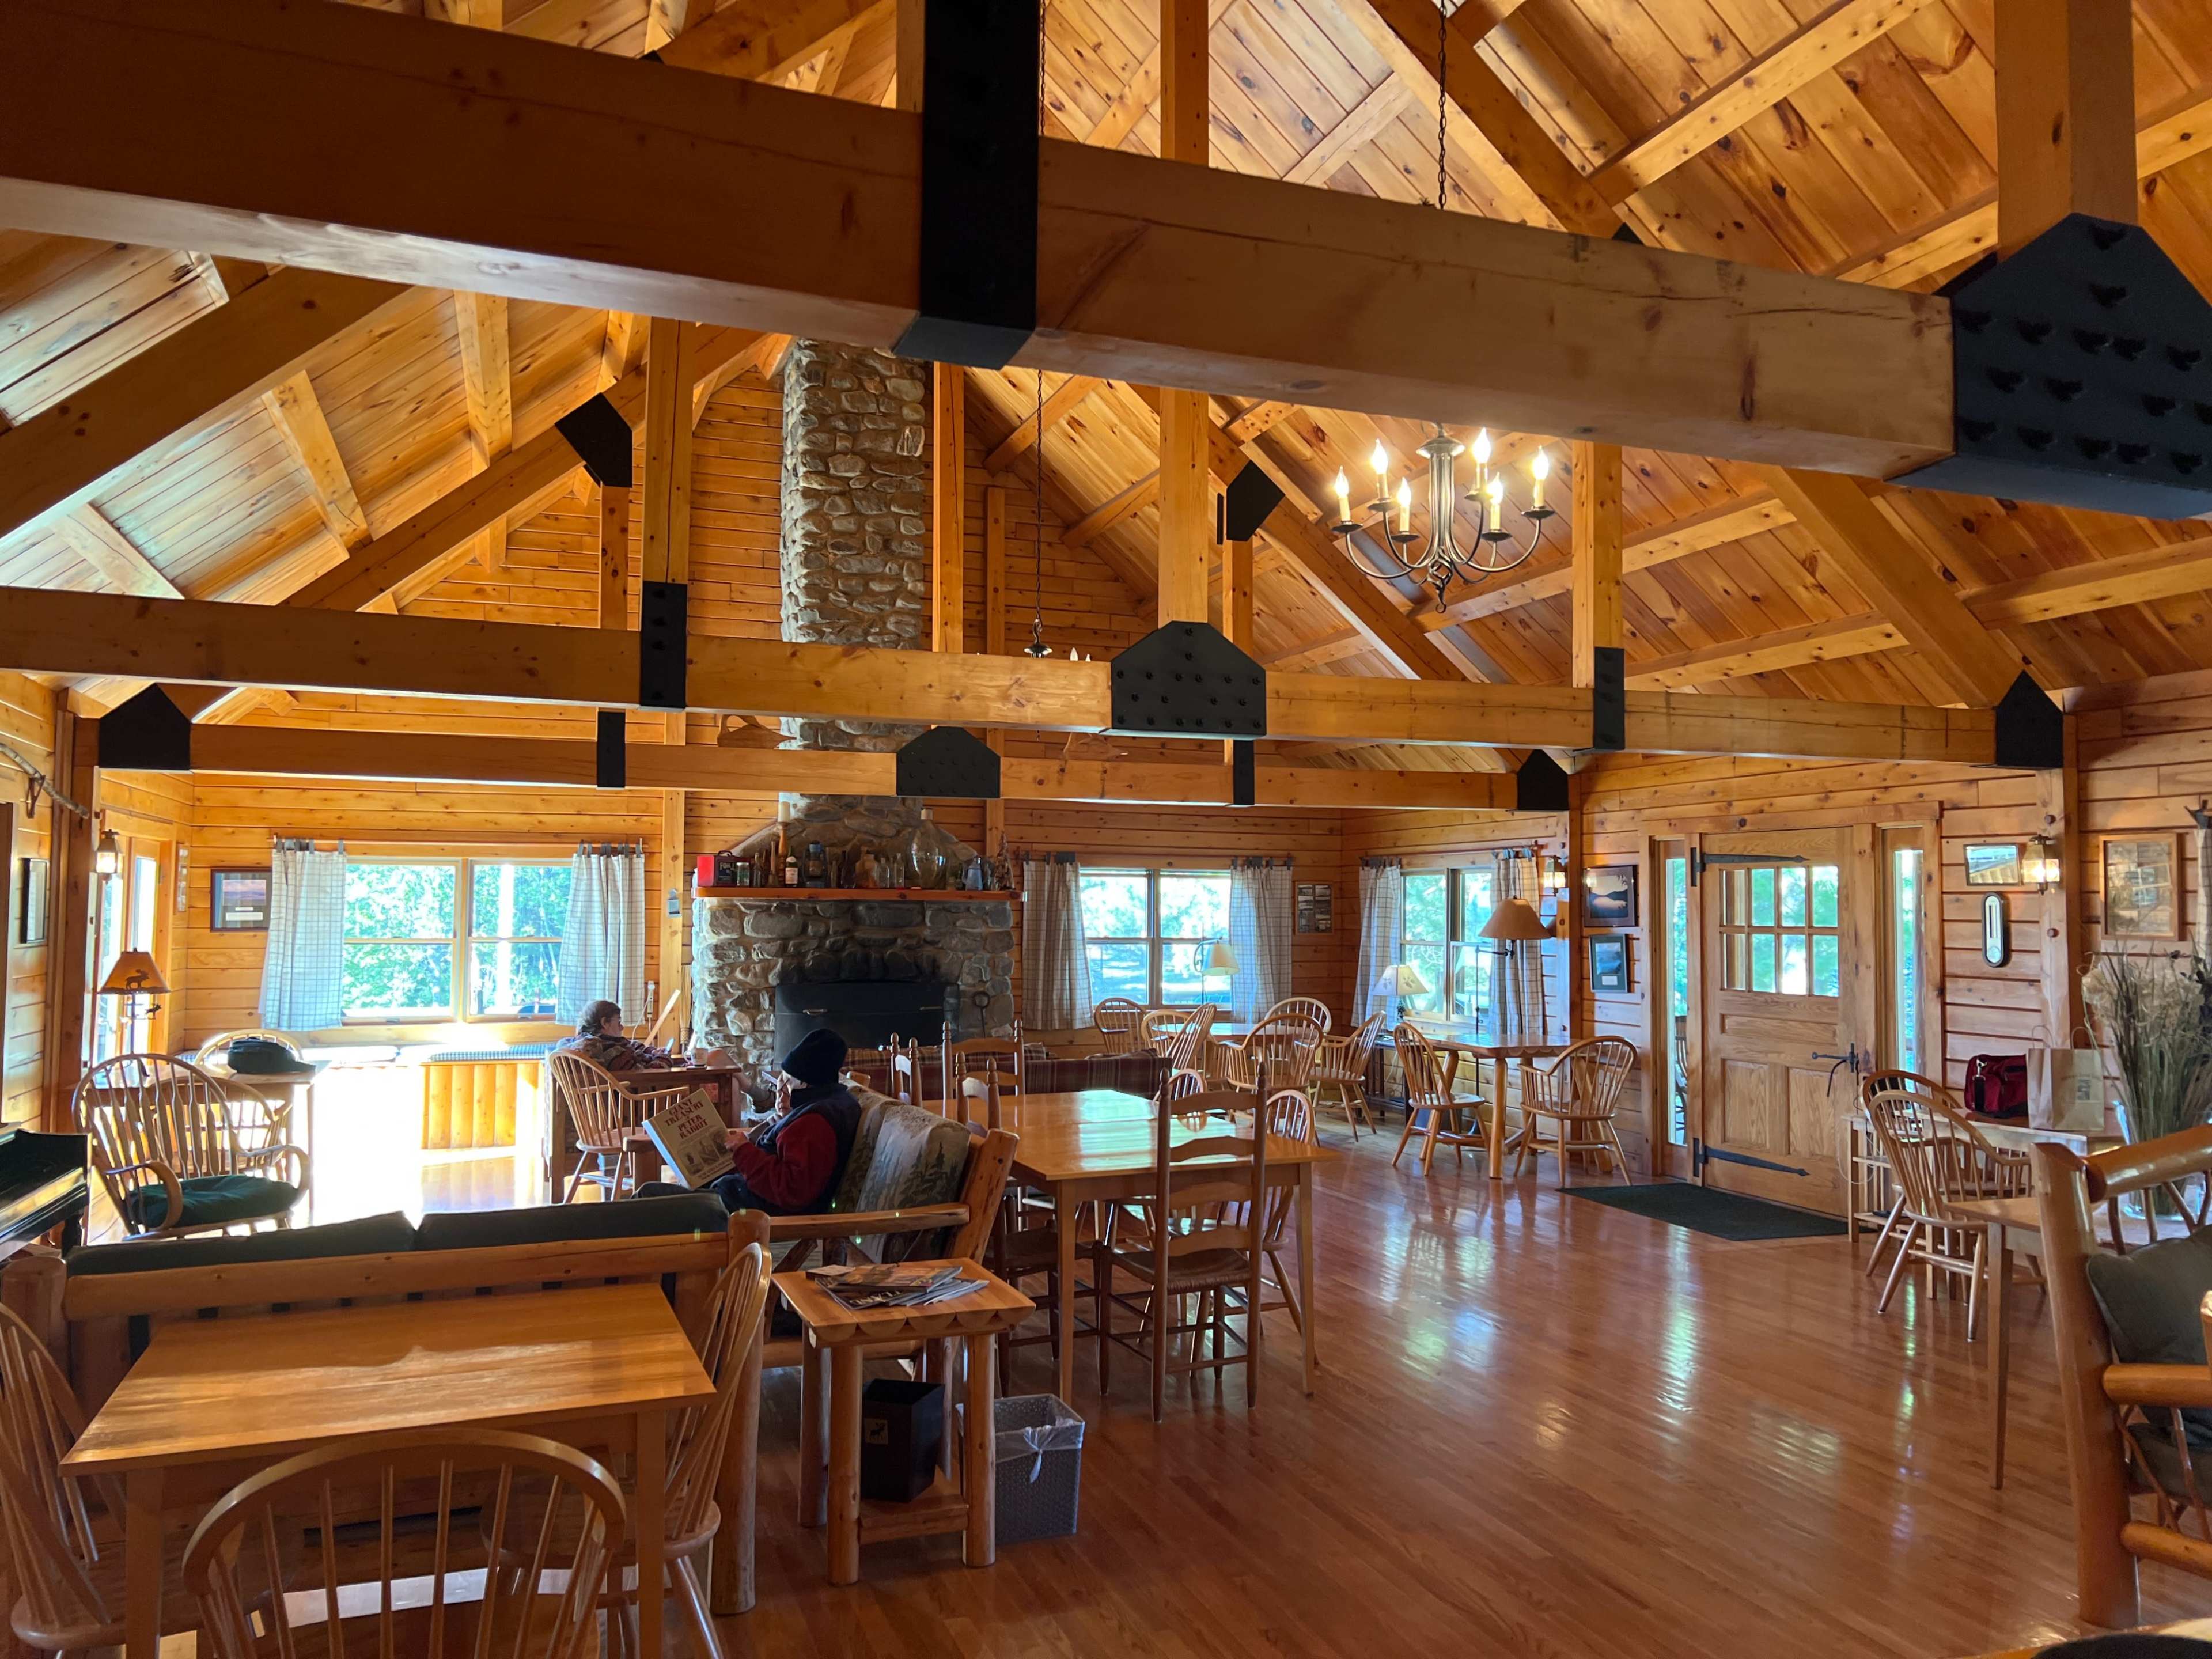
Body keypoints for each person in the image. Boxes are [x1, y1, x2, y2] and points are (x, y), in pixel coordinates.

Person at [639, 1028, 862, 1215]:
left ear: (806, 1084)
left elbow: (792, 1190)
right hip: (743, 1198)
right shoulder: (826, 1104)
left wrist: (744, 1151)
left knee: (647, 1198)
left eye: (788, 1083)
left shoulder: (815, 1122)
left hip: (749, 1212)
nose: (781, 1091)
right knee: (655, 1196)